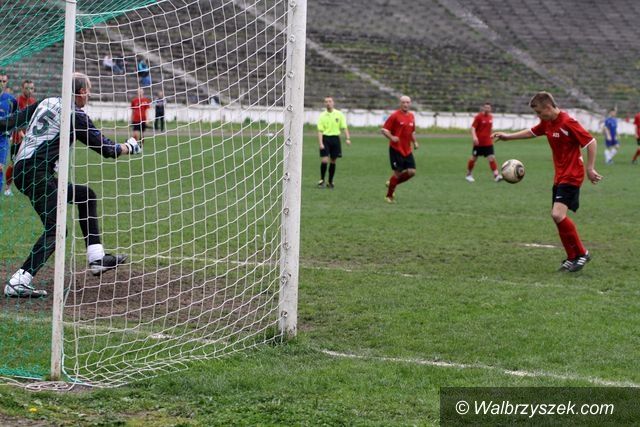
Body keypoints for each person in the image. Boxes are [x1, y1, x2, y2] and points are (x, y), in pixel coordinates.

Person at [2, 72, 141, 298]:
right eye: (89, 90)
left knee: (86, 196)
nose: (90, 94)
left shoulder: (46, 101)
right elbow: (106, 148)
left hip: (24, 170)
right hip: (37, 172)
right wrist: (129, 147)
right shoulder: (75, 115)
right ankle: (20, 280)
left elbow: (10, 122)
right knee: (56, 229)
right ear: (82, 92)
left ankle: (97, 258)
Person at [492, 92, 602, 273]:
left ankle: (582, 253)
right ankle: (572, 257)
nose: (538, 116)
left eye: (539, 113)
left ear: (549, 108)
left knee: (558, 215)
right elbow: (532, 132)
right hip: (560, 176)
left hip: (572, 175)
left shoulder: (568, 122)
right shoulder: (547, 122)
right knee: (557, 218)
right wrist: (508, 136)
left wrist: (590, 168)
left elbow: (591, 142)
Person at [381, 95, 418, 203]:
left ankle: (392, 183)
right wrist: (392, 137)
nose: (405, 104)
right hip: (396, 149)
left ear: (410, 103)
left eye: (407, 102)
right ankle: (389, 196)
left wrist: (415, 142)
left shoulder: (411, 116)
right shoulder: (395, 116)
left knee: (412, 172)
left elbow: (412, 132)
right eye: (403, 102)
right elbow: (384, 130)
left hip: (407, 150)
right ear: (400, 103)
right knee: (397, 173)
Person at [5, 79, 37, 196]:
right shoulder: (17, 101)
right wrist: (21, 134)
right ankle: (7, 188)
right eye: (27, 88)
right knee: (13, 164)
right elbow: (15, 120)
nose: (29, 90)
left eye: (31, 88)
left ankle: (30, 186)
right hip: (18, 139)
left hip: (30, 138)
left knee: (32, 163)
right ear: (22, 88)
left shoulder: (34, 102)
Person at [316, 96, 350, 188]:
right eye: (326, 101)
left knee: (333, 160)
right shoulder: (322, 115)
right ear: (324, 103)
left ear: (333, 103)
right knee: (324, 160)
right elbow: (320, 130)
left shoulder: (339, 114)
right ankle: (322, 180)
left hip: (335, 139)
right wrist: (320, 143)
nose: (328, 103)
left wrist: (347, 138)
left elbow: (344, 127)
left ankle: (330, 181)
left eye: (330, 101)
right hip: (325, 139)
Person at [466, 102, 502, 182]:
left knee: (491, 157)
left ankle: (496, 175)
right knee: (474, 158)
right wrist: (474, 137)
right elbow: (473, 128)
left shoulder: (491, 117)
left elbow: (489, 129)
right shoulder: (478, 117)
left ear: (490, 109)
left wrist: (493, 135)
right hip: (478, 143)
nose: (487, 109)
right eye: (485, 107)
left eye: (488, 108)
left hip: (488, 143)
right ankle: (468, 175)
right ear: (483, 108)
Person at [0, 72, 17, 196]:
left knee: (0, 167)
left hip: (2, 138)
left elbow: (16, 115)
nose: (1, 83)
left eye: (4, 81)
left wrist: (10, 129)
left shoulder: (11, 100)